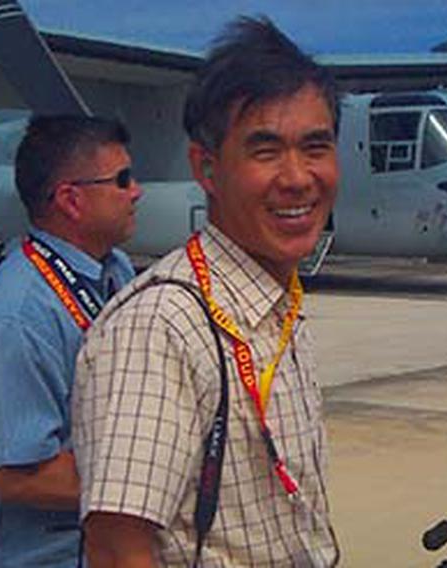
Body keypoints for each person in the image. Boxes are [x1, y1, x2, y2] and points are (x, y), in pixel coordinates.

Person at [72, 16, 340, 567]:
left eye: (315, 146)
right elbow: (119, 551)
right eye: (265, 151)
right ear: (207, 168)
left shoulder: (275, 305)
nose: (297, 177)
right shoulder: (162, 327)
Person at [0, 115, 141, 567]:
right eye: (122, 180)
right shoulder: (14, 319)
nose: (137, 191)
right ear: (71, 200)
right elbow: (22, 478)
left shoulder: (115, 272)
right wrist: (158, 481)